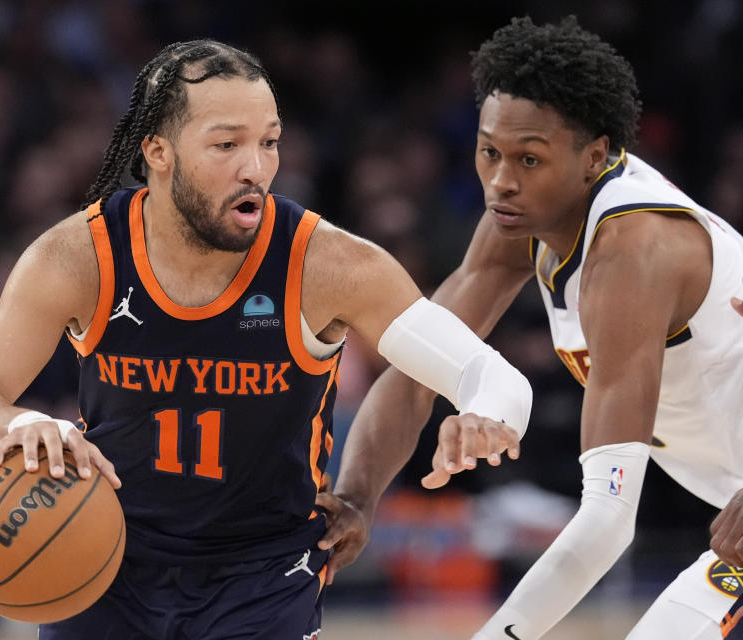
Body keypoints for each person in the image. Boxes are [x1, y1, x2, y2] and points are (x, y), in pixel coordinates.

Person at [0, 39, 532, 640]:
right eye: (227, 145)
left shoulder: (328, 264)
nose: (257, 167)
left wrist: (485, 414)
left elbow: (490, 374)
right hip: (103, 558)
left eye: (268, 142)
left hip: (264, 572)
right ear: (158, 151)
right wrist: (22, 427)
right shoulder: (79, 256)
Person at [318, 16, 743, 640]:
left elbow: (607, 519)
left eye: (529, 159)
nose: (501, 181)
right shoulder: (519, 219)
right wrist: (355, 499)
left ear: (595, 155)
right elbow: (417, 377)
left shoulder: (634, 251)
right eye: (489, 151)